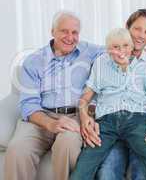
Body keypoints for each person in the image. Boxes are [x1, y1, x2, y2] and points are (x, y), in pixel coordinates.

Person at [4, 11, 105, 180]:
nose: (70, 37)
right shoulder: (34, 60)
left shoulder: (89, 51)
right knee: (17, 150)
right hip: (41, 118)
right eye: (64, 31)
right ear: (52, 32)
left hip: (75, 117)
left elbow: (119, 48)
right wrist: (51, 124)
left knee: (67, 145)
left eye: (74, 32)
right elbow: (29, 105)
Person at [70, 28, 146, 180]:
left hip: (137, 121)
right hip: (105, 123)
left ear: (131, 46)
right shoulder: (101, 63)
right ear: (108, 49)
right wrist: (84, 117)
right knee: (82, 170)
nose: (121, 51)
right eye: (116, 47)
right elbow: (85, 98)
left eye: (125, 46)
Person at [95, 9, 146, 180]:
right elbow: (94, 98)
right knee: (107, 173)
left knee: (143, 174)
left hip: (142, 128)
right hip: (112, 128)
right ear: (127, 28)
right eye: (137, 29)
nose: (141, 36)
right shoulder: (105, 58)